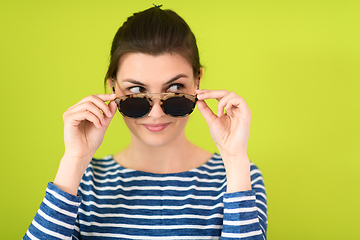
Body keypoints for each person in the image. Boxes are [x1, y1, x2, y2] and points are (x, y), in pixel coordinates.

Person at [23, 6, 267, 240]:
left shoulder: (240, 176)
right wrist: (74, 161)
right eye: (137, 91)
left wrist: (235, 160)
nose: (157, 113)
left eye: (174, 89)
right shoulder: (82, 182)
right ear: (112, 87)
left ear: (198, 81)